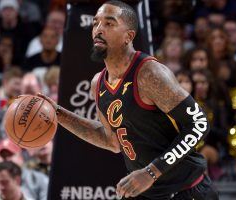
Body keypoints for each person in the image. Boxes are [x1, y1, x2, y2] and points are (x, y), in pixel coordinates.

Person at [38, 1, 218, 199]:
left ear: (129, 36)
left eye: (109, 23)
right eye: (96, 23)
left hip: (186, 189)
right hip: (147, 192)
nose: (99, 29)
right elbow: (111, 141)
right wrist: (59, 114)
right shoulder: (98, 83)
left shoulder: (149, 73)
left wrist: (151, 172)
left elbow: (199, 123)